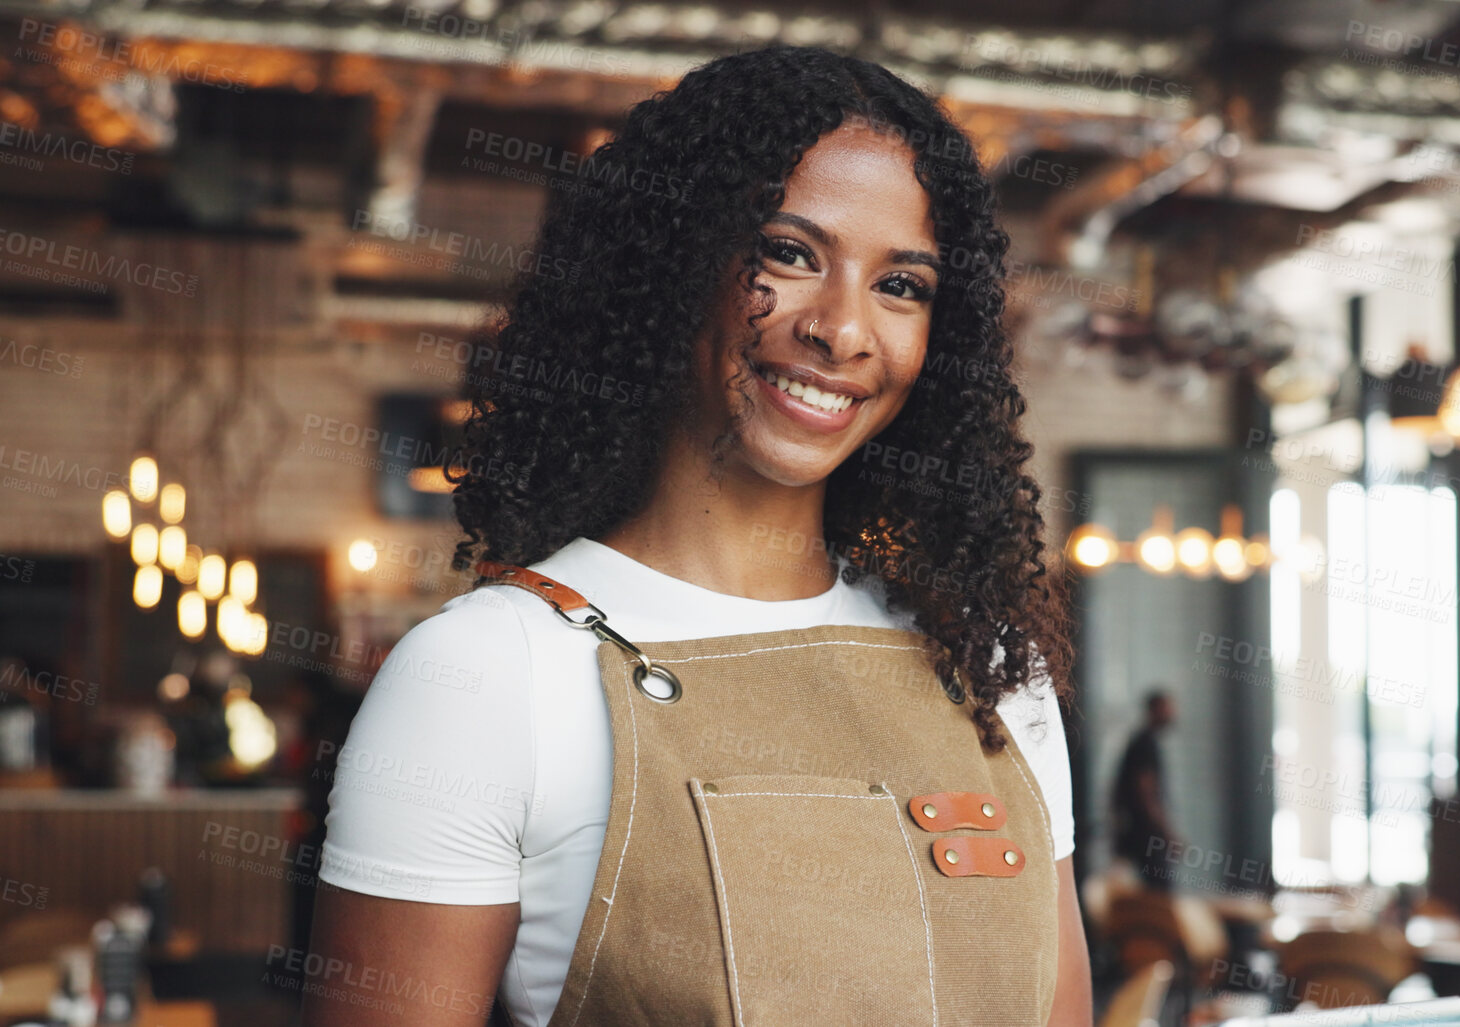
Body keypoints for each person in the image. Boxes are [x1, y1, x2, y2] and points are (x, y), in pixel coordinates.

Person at [303, 46, 1091, 1027]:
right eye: (789, 253)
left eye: (903, 286)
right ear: (669, 268)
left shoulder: (990, 670)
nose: (843, 330)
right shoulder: (486, 673)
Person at [1111, 689, 1179, 890]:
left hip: (1138, 833)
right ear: (1154, 709)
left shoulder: (1142, 741)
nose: (1173, 712)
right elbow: (1145, 792)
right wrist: (1166, 832)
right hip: (1146, 836)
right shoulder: (1145, 744)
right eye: (1168, 707)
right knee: (1159, 893)